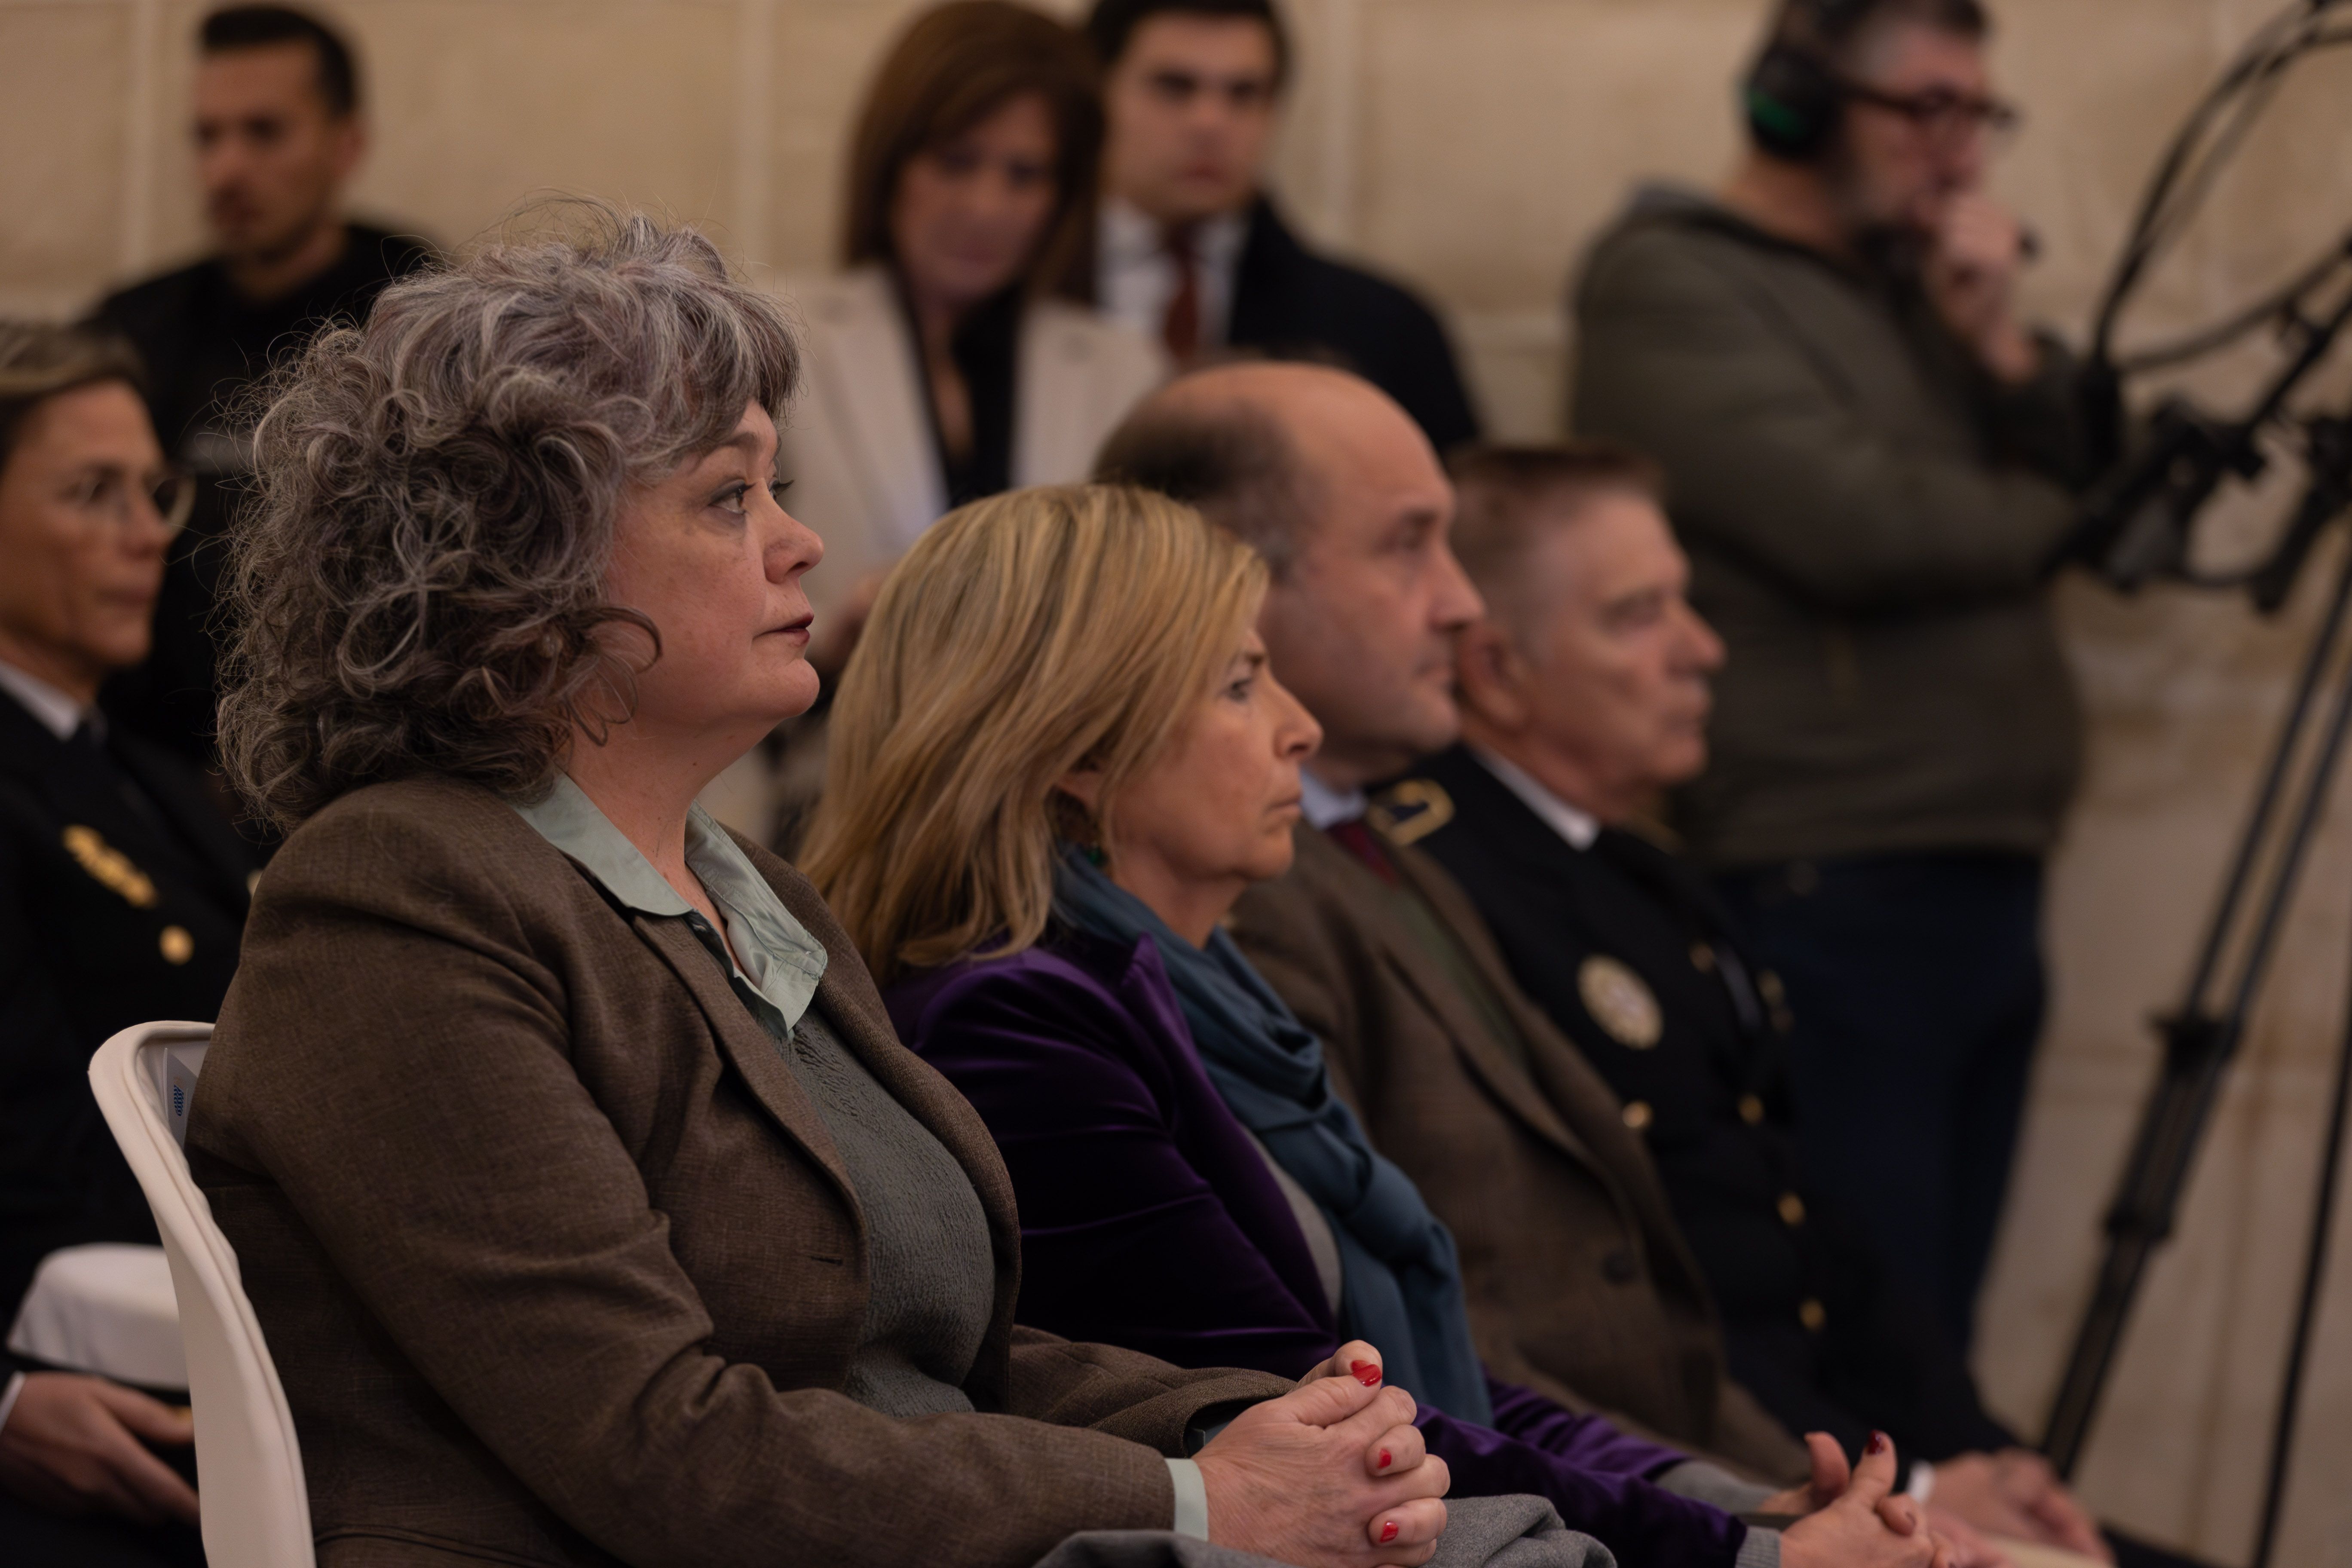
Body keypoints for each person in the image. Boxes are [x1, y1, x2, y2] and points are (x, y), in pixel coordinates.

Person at [185, 210, 1465, 1568]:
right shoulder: (397, 898)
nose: (800, 543)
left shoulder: (753, 888)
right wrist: (1199, 1503)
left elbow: (947, 1364)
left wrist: (1279, 1426)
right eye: (731, 497)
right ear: (521, 563)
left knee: (1517, 1538)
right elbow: (659, 1445)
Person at [805, 481, 1958, 1568]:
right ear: (1080, 755)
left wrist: (1736, 1505)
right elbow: (1328, 1416)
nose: (1300, 730)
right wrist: (1748, 1557)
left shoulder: (1184, 989)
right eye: (1243, 684)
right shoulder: (1015, 1028)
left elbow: (1439, 1395)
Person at [1392, 445, 2199, 1568]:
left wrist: (1978, 1455)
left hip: (1850, 1464)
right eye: (1640, 616)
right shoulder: (1447, 890)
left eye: (1689, 605)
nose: (1704, 649)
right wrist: (1911, 1486)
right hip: (1721, 1489)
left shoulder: (1651, 877)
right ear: (1498, 669)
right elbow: (1620, 1303)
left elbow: (1807, 1225)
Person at [1094, 364, 1808, 1490]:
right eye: (1406, 546)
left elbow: (1639, 1301)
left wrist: (1814, 1502)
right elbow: (1395, 1349)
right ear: (1232, 569)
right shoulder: (1224, 896)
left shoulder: (1380, 846)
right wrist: (1742, 1531)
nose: (1462, 602)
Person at [1568, 0, 2102, 1350]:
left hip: (1979, 866)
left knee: (1935, 1325)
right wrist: (2062, 513)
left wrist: (1997, 349)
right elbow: (1864, 524)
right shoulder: (1673, 280)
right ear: (1794, 106)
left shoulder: (1911, 287)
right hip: (1832, 877)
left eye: (1979, 115)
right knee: (1864, 1336)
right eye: (1928, 109)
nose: (1963, 155)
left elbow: (2118, 454)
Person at [0, 323, 262, 1565]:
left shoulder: (150, 782)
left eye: (155, 490)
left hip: (210, 1341)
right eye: (90, 493)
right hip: (70, 1378)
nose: (149, 531)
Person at [89, 4, 432, 769]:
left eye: (264, 132)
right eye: (208, 137)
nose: (227, 170)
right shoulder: (133, 331)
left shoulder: (415, 316)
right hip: (153, 765)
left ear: (346, 143)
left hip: (365, 764)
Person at [782, 0, 1167, 630]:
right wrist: (832, 634)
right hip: (832, 718)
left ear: (1064, 197)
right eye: (955, 161)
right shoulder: (784, 337)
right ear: (891, 165)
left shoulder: (1124, 373)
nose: (987, 207)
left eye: (1025, 174)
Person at [1084, 0, 1479, 453]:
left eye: (1244, 93)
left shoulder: (1381, 326)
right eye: (1174, 88)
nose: (1210, 122)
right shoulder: (1012, 295)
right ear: (1097, 92)